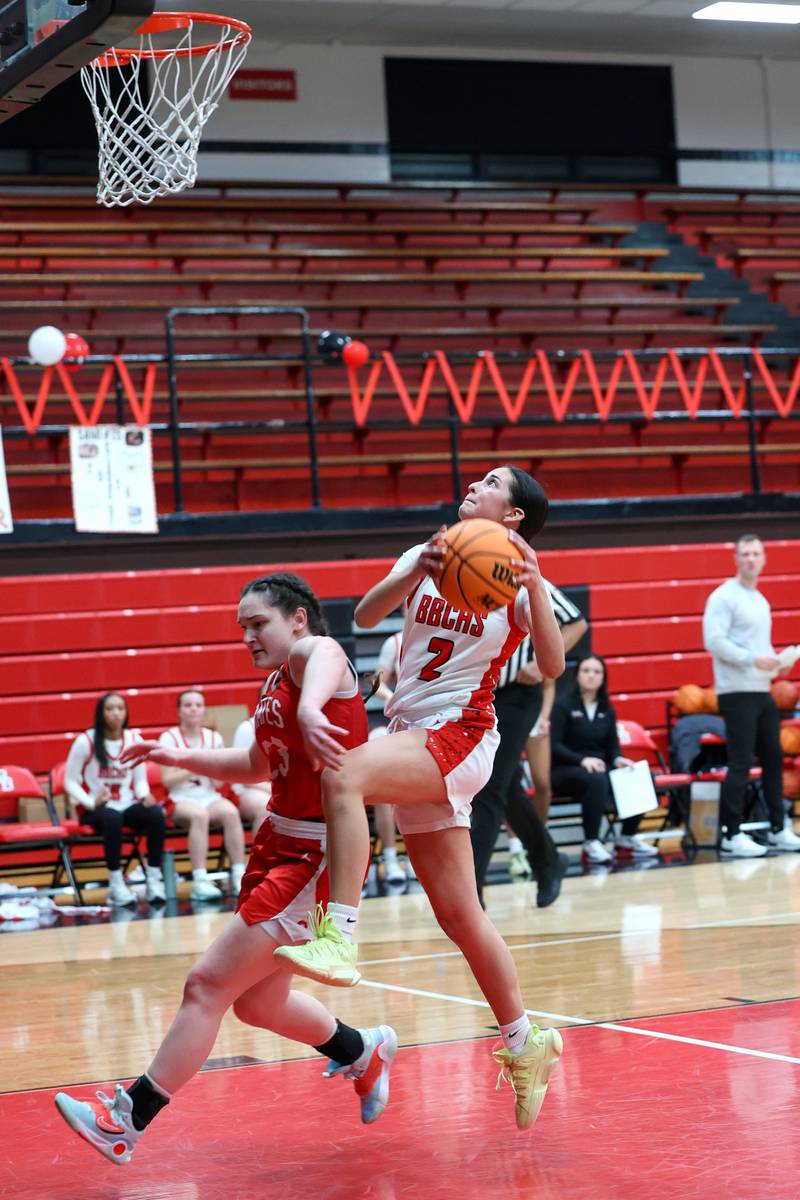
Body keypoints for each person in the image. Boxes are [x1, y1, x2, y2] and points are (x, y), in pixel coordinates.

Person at [54, 572, 396, 1164]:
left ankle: (126, 1121)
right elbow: (255, 761)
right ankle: (362, 1049)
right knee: (257, 1004)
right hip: (275, 844)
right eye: (241, 627)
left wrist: (313, 708)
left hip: (315, 857)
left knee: (206, 985)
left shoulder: (320, 659)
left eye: (257, 623)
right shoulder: (273, 684)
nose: (247, 635)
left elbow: (327, 653)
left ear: (296, 618)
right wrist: (176, 754)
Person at [276, 466, 566, 1132]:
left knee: (341, 774)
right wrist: (416, 570)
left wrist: (538, 585)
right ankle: (527, 1043)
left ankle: (338, 935)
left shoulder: (516, 579)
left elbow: (549, 664)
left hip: (458, 732)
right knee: (461, 915)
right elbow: (364, 614)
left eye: (494, 481)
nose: (477, 482)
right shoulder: (435, 548)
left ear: (513, 515)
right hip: (412, 732)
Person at [470, 585, 587, 908]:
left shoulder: (522, 573)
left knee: (488, 788)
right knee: (505, 790)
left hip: (517, 696)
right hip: (479, 695)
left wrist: (540, 663)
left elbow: (576, 622)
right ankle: (548, 860)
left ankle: (471, 892)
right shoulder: (463, 570)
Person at [703, 533, 800, 858]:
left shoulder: (760, 600)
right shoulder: (723, 596)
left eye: (756, 553)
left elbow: (760, 649)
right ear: (736, 558)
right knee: (741, 762)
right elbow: (714, 641)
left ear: (764, 558)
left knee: (774, 758)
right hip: (736, 691)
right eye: (745, 554)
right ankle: (731, 834)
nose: (751, 559)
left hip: (762, 689)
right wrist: (751, 659)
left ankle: (777, 827)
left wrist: (776, 665)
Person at [550, 654, 657, 864]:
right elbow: (554, 746)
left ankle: (627, 837)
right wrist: (582, 760)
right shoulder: (562, 705)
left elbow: (612, 747)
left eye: (596, 672)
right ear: (577, 675)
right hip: (566, 769)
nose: (591, 676)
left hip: (599, 768)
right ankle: (591, 841)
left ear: (603, 678)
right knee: (597, 778)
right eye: (586, 671)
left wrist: (618, 759)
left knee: (641, 775)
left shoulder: (607, 709)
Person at [64, 692, 166, 906]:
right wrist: (91, 802)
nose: (116, 713)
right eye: (110, 708)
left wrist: (144, 794)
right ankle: (116, 883)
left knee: (156, 814)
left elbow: (139, 778)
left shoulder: (134, 738)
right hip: (96, 808)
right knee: (112, 818)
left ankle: (155, 878)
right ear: (100, 713)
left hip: (126, 803)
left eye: (120, 708)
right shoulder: (86, 740)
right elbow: (70, 781)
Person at [159, 689, 248, 900]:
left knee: (231, 813)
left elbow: (219, 781)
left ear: (204, 710)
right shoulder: (169, 737)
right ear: (179, 711)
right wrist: (194, 765)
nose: (194, 709)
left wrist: (216, 768)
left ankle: (239, 874)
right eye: (188, 705)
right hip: (180, 797)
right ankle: (200, 879)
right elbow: (167, 780)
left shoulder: (213, 737)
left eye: (198, 705)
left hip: (207, 795)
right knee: (199, 816)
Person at [372, 629, 408, 884]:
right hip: (404, 722)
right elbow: (377, 682)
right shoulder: (394, 641)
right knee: (384, 791)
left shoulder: (447, 627)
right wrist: (391, 697)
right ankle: (390, 856)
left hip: (437, 723)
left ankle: (420, 858)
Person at [231, 690, 271, 835]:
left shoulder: (293, 724)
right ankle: (262, 857)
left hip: (276, 787)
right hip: (248, 788)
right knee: (267, 807)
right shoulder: (247, 728)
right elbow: (243, 775)